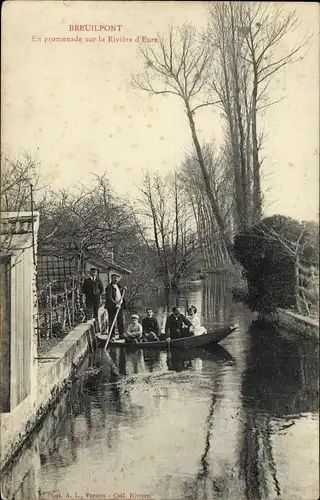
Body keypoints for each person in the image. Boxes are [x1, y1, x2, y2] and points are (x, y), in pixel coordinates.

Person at [105, 273, 126, 339]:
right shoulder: (109, 287)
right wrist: (115, 304)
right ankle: (112, 336)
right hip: (112, 307)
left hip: (119, 306)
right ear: (111, 279)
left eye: (117, 278)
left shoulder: (118, 285)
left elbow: (119, 292)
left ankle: (121, 334)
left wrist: (124, 289)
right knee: (112, 322)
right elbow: (109, 297)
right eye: (114, 278)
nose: (116, 279)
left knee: (120, 321)